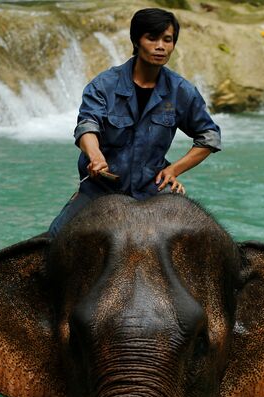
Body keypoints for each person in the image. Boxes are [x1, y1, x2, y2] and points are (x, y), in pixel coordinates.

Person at [48, 7, 222, 236]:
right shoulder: (104, 85)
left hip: (152, 187)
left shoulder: (182, 91)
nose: (161, 46)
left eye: (167, 40)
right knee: (56, 236)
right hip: (101, 187)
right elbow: (87, 125)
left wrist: (173, 170)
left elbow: (209, 136)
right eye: (152, 38)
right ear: (136, 41)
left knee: (197, 239)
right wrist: (95, 155)